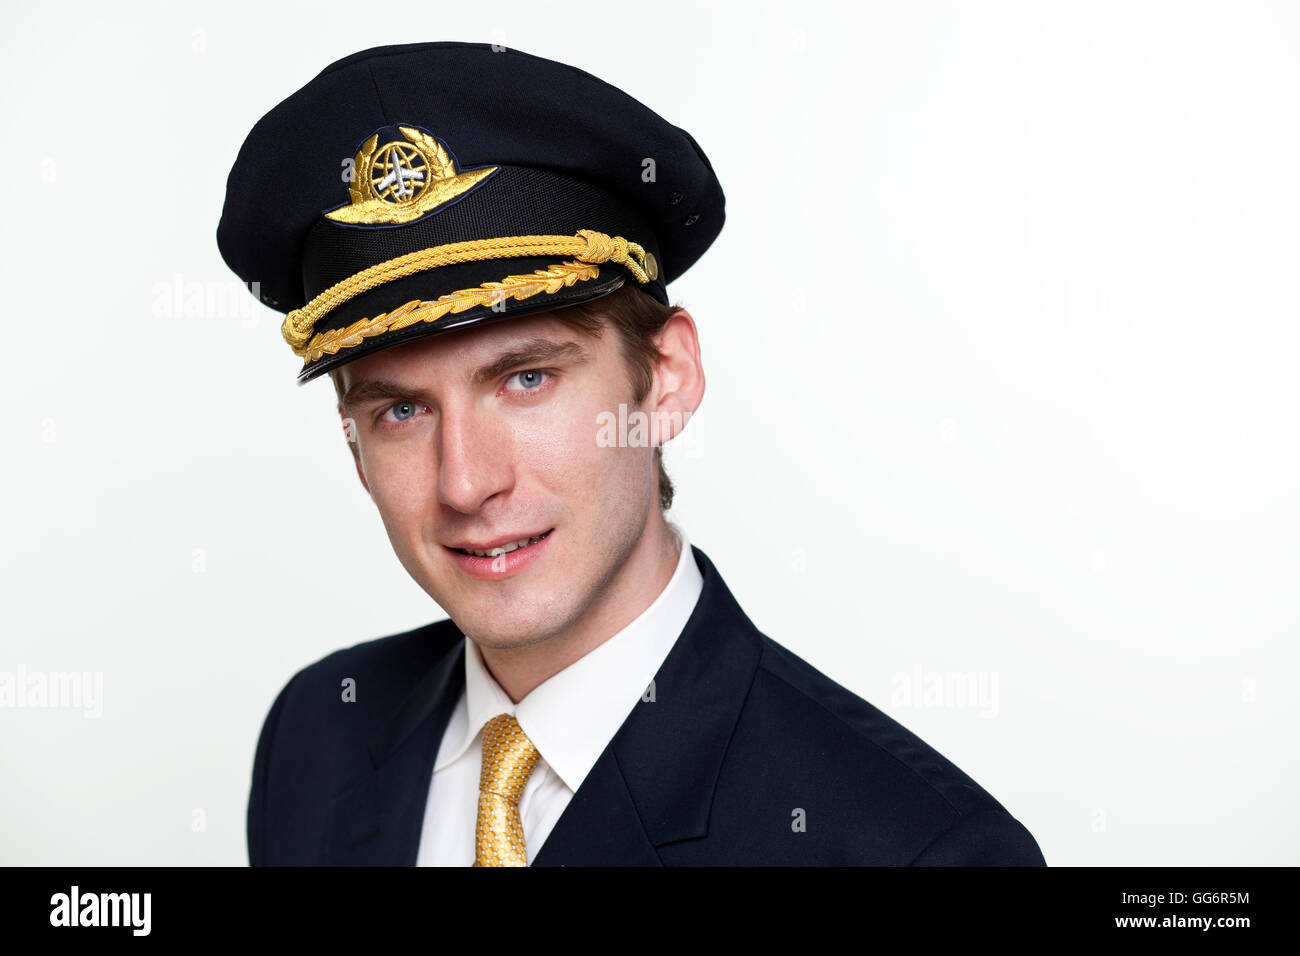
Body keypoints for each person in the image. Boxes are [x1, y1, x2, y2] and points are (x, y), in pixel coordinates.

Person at [218, 40, 1046, 866]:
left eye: (527, 379)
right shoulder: (317, 734)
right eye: (401, 409)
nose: (466, 482)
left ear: (667, 378)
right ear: (354, 445)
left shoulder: (916, 850)